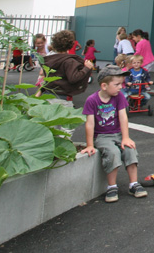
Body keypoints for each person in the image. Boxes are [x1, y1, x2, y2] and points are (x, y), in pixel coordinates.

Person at [79, 65, 147, 203]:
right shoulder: (92, 100)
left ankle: (133, 184)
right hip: (102, 136)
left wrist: (126, 137)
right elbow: (90, 124)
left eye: (121, 83)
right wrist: (90, 144)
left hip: (118, 134)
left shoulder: (119, 97)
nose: (120, 87)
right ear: (104, 86)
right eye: (117, 84)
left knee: (130, 150)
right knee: (113, 153)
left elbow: (123, 117)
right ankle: (111, 186)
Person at [40, 30, 94, 101]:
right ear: (71, 44)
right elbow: (74, 78)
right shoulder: (69, 61)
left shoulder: (49, 58)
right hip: (62, 96)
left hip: (48, 93)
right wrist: (86, 68)